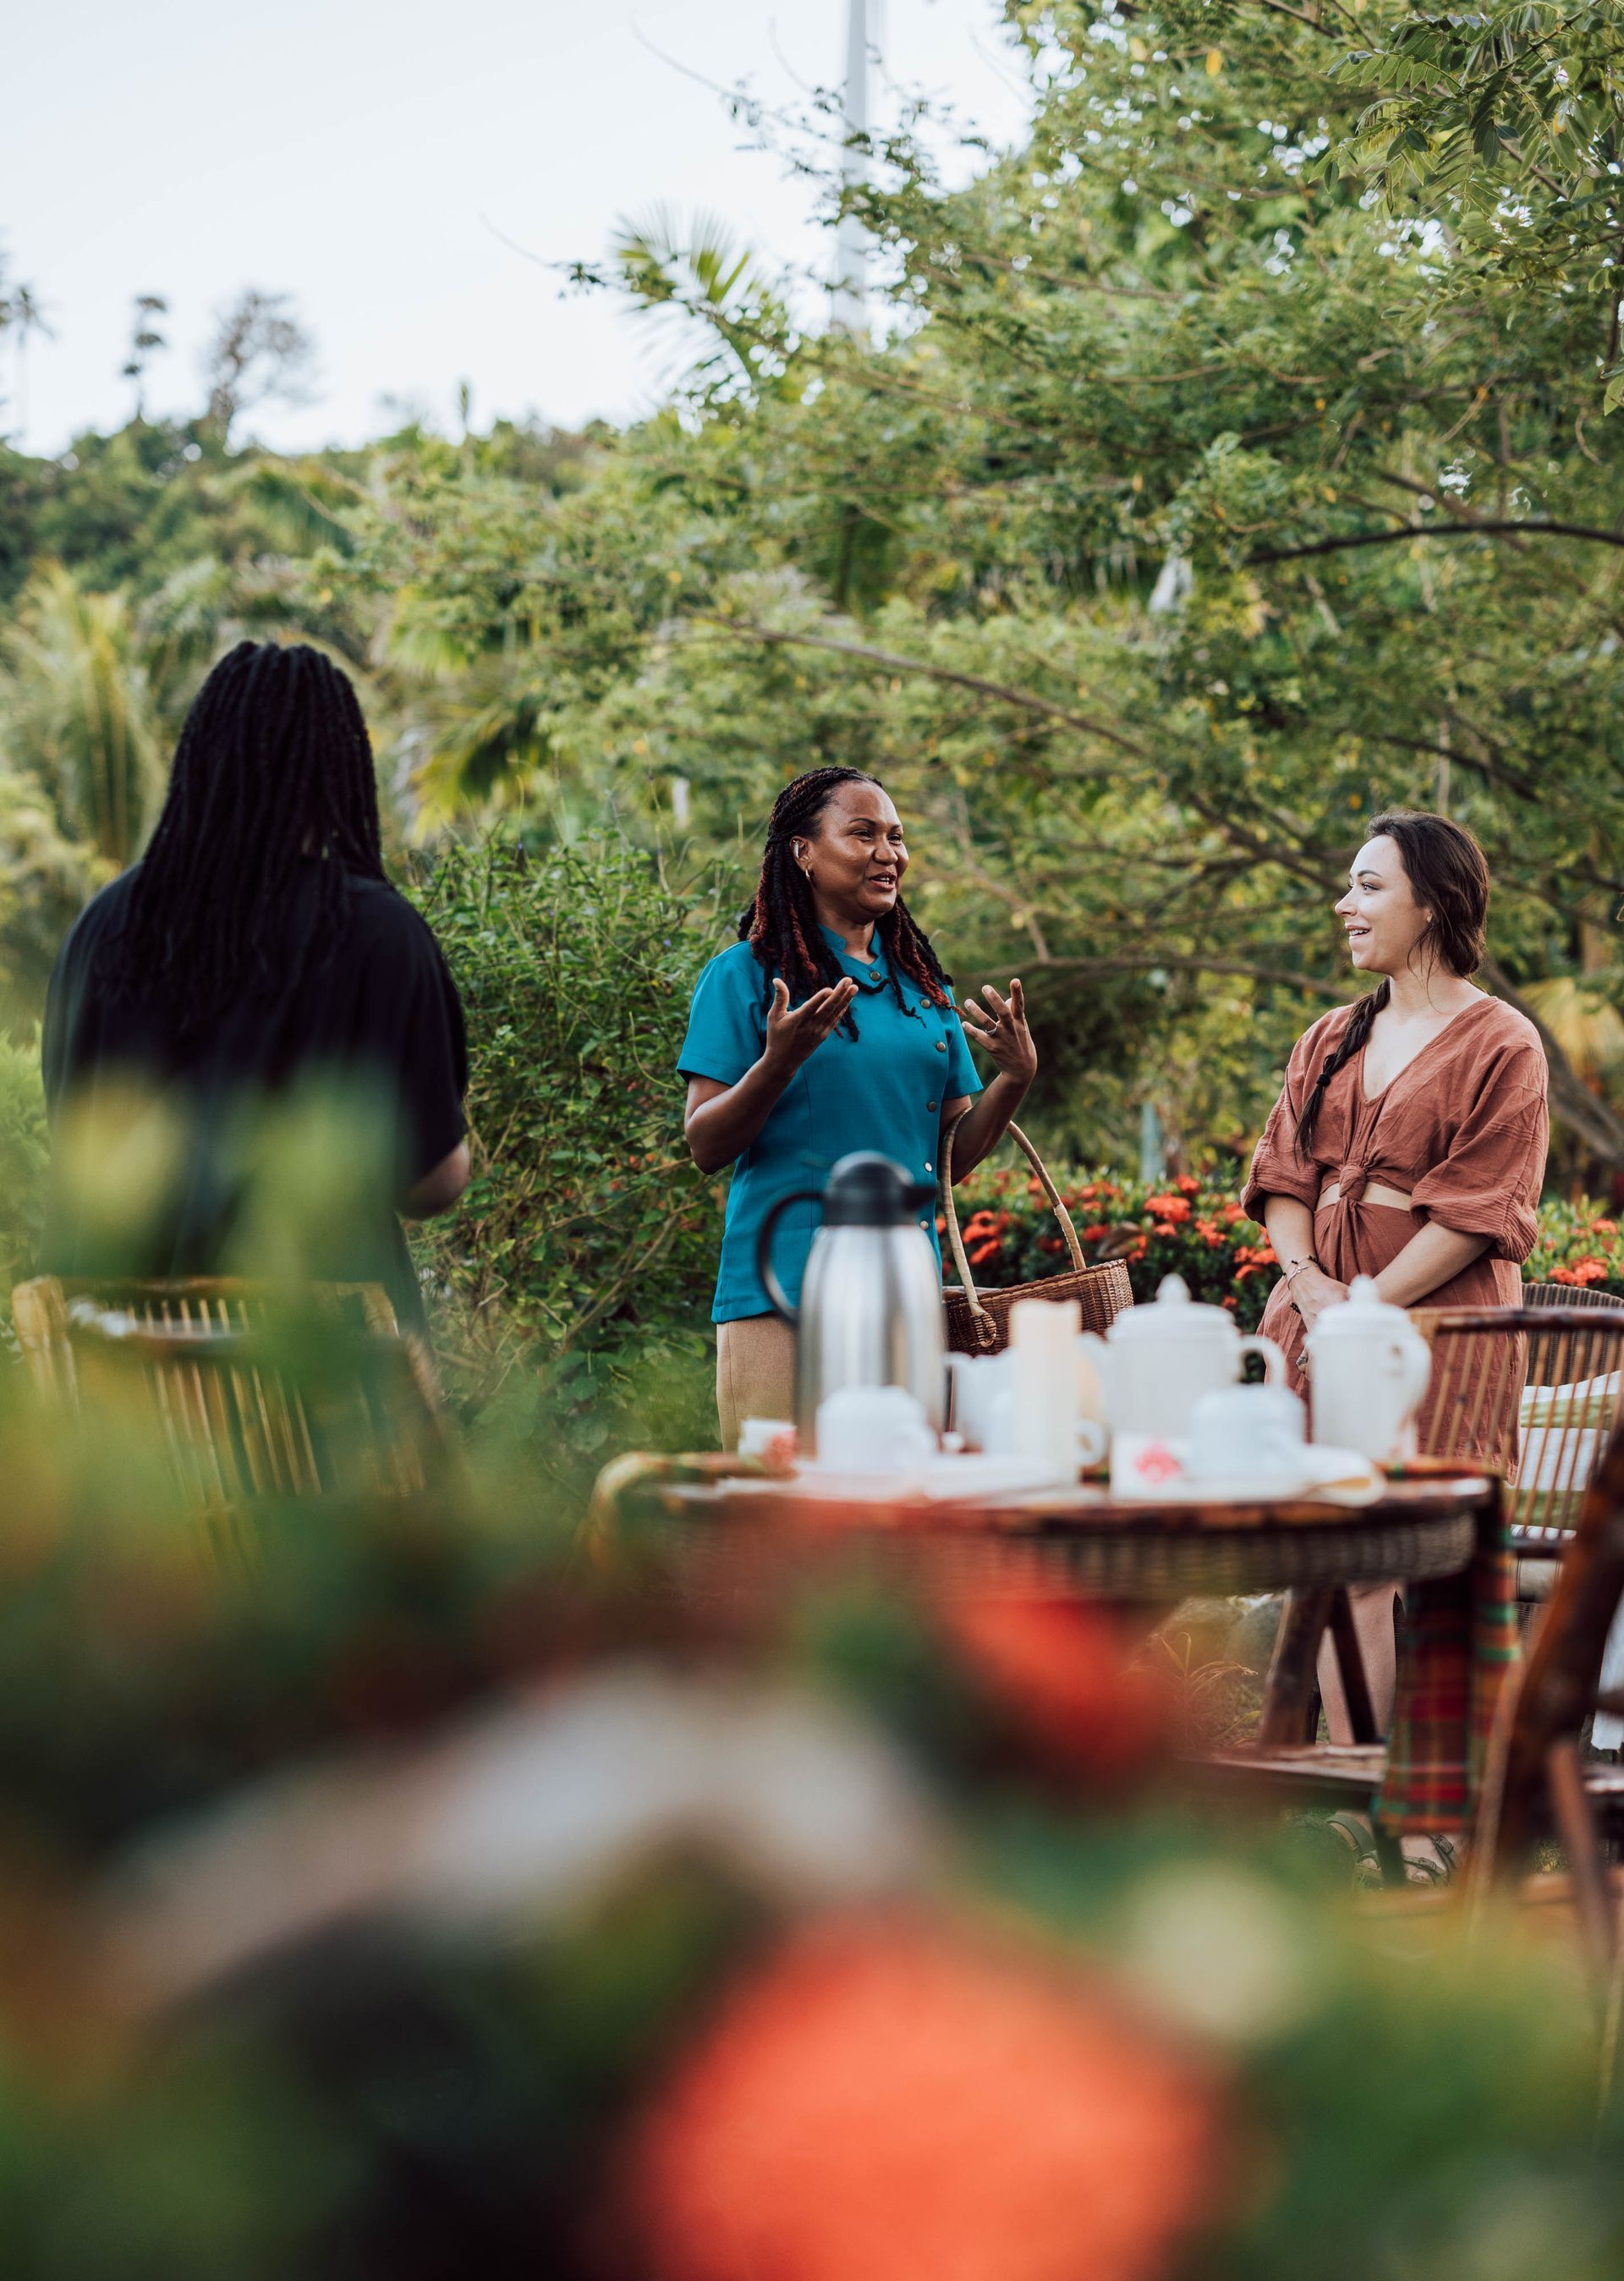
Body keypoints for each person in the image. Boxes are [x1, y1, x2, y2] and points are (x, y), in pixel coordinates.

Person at [41, 640, 469, 1333]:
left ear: (201, 759)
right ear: (336, 771)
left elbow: (76, 1132)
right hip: (319, 1381)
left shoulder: (103, 926)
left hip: (128, 1374)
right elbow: (430, 1184)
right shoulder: (375, 931)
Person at [1243, 809, 1548, 1751]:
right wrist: (1309, 1283)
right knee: (1334, 1557)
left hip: (1435, 1333)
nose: (1346, 903)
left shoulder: (1504, 1043)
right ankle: (1354, 1787)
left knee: (1419, 1555)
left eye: (1369, 885)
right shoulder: (1330, 1034)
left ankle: (1428, 1821)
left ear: (1434, 903)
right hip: (1319, 1322)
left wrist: (1367, 1305)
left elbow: (1475, 1213)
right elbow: (1283, 1175)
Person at [679, 766, 1038, 1449]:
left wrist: (1014, 1080)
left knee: (900, 1521)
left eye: (896, 837)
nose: (888, 853)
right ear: (803, 852)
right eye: (863, 833)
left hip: (905, 1301)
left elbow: (949, 1160)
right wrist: (777, 1063)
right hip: (780, 1297)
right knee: (785, 1529)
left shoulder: (922, 992)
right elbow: (705, 1143)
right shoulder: (746, 977)